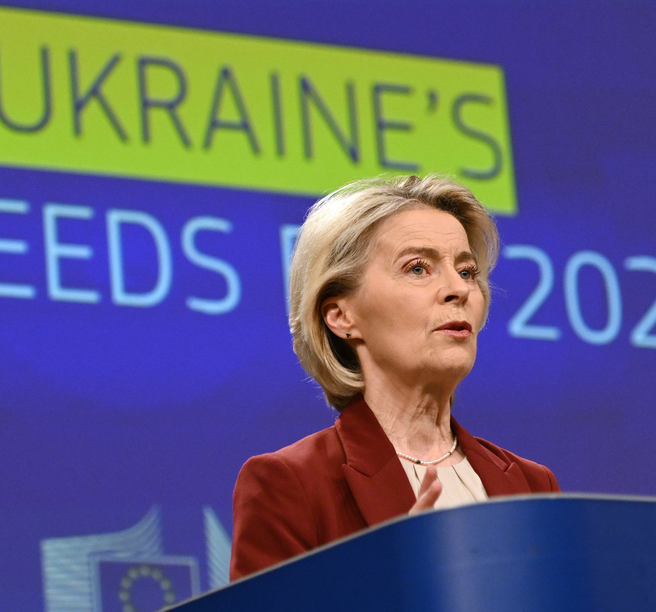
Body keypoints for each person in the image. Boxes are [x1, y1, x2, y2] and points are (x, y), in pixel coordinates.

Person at [230, 175, 559, 580]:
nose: (457, 289)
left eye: (467, 271)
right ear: (341, 316)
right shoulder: (291, 485)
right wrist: (393, 582)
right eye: (418, 268)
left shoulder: (532, 484)